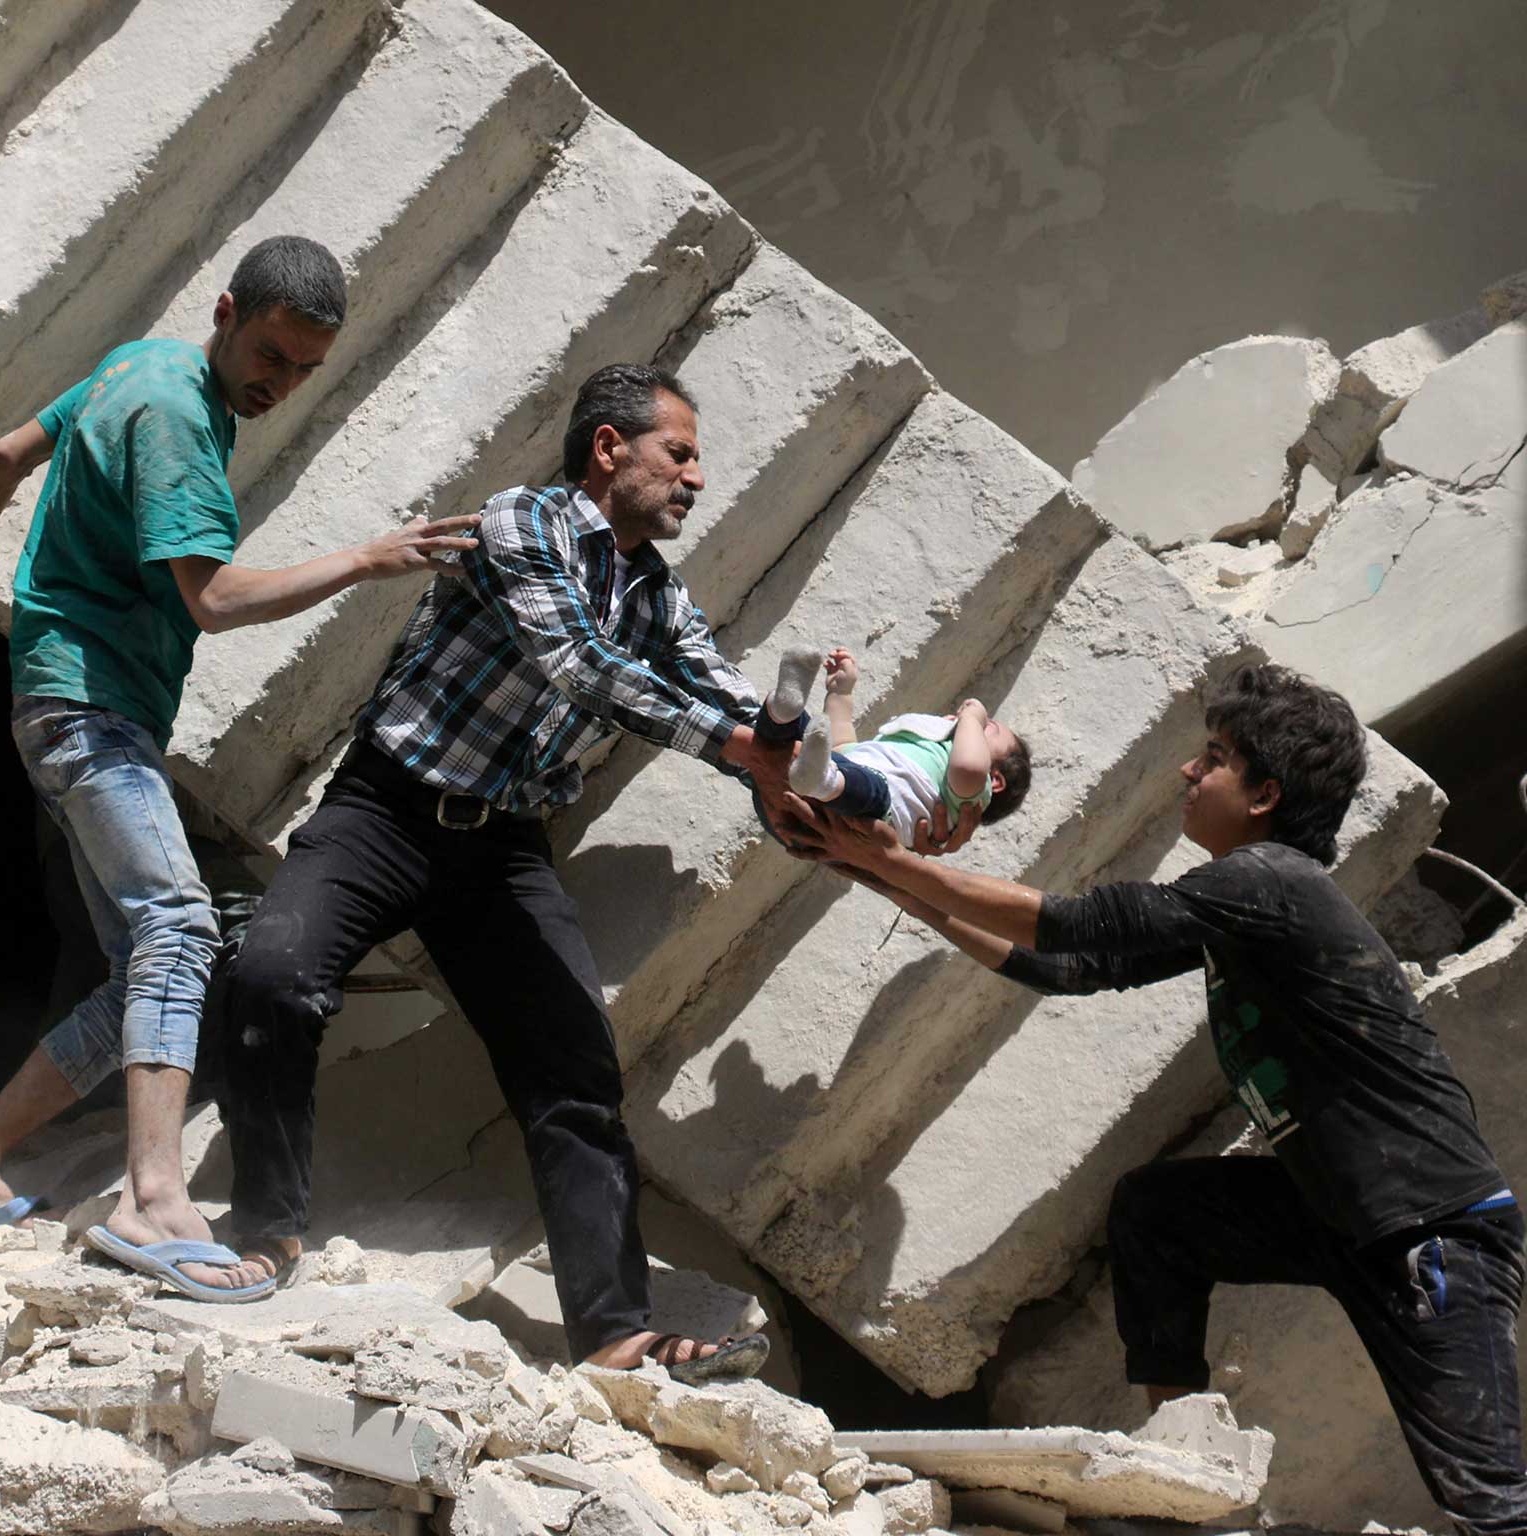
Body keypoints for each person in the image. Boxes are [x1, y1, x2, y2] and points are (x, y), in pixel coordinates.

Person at [789, 663, 1526, 1535]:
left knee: (1493, 1502)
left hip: (1428, 1232)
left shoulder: (1271, 883)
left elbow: (1077, 924)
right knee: (1159, 1216)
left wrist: (897, 861)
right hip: (1339, 1215)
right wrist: (888, 879)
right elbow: (1071, 970)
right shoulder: (1245, 899)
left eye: (1213, 758)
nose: (1187, 772)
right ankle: (1178, 1481)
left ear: (1264, 794)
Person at [217, 363, 819, 1381]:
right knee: (269, 978)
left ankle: (613, 1335)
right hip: (385, 810)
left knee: (575, 1077)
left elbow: (714, 687)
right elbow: (577, 664)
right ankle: (263, 1234)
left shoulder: (655, 595)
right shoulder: (520, 523)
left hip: (499, 853)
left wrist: (801, 770)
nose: (695, 479)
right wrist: (736, 750)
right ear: (606, 449)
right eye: (679, 454)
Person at [0, 236, 477, 1298]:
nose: (279, 383)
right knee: (179, 927)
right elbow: (211, 601)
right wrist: (363, 557)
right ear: (225, 311)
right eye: (269, 354)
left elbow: (1, 456)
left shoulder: (139, 363)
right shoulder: (176, 421)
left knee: (141, 966)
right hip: (92, 711)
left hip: (62, 699)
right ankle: (154, 1199)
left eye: (304, 370)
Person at [756, 643, 1030, 844]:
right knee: (801, 735)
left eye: (987, 728)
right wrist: (841, 692)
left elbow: (969, 765)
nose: (975, 723)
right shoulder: (893, 753)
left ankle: (820, 776)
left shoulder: (968, 794)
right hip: (802, 797)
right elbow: (841, 745)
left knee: (872, 788)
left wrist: (974, 714)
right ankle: (784, 709)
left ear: (995, 779)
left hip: (855, 816)